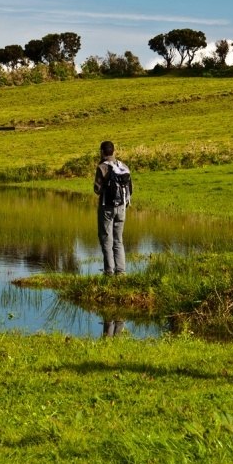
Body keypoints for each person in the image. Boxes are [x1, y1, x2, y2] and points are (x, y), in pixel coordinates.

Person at [94, 140, 132, 337]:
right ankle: (121, 273)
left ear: (102, 152)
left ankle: (109, 273)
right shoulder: (123, 166)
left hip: (107, 208)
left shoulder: (102, 167)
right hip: (122, 208)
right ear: (114, 151)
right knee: (119, 240)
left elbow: (97, 189)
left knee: (105, 239)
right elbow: (130, 190)